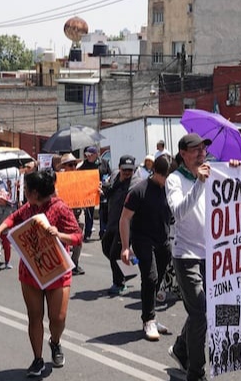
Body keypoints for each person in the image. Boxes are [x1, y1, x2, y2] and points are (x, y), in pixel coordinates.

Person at [0, 169, 82, 377]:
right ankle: (37, 359)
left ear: (36, 192)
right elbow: (12, 218)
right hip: (31, 270)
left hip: (56, 269)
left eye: (27, 190)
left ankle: (55, 342)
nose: (24, 193)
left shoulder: (60, 208)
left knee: (57, 317)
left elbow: (77, 237)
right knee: (35, 317)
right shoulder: (29, 207)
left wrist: (59, 234)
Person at [166, 133, 239, 381]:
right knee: (199, 313)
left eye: (203, 150)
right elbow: (179, 212)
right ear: (183, 154)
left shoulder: (214, 173)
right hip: (186, 255)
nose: (201, 154)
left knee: (204, 310)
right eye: (195, 150)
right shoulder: (174, 180)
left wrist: (236, 172)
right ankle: (196, 374)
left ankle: (181, 348)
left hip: (212, 254)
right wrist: (199, 183)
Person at [120, 155, 173, 341]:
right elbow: (124, 219)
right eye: (166, 176)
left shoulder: (170, 189)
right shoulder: (139, 191)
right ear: (156, 172)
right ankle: (148, 319)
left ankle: (153, 316)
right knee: (149, 278)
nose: (167, 181)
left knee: (157, 280)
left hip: (163, 241)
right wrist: (125, 247)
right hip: (143, 240)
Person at [102, 155, 141, 295]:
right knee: (106, 247)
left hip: (126, 224)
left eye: (130, 170)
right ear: (119, 167)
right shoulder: (114, 176)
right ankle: (129, 268)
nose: (127, 173)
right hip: (112, 220)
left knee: (114, 254)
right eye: (124, 169)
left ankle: (119, 283)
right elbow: (108, 190)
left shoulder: (136, 184)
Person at [60, 153, 86, 275]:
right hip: (64, 212)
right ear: (64, 166)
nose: (73, 167)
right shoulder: (58, 179)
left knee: (79, 237)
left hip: (78, 210)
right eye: (70, 165)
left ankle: (74, 263)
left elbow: (87, 191)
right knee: (63, 238)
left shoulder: (80, 178)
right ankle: (63, 263)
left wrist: (95, 190)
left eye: (75, 165)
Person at [79, 146, 101, 241]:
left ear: (95, 154)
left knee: (103, 213)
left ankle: (103, 233)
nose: (88, 157)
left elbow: (108, 174)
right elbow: (78, 176)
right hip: (89, 193)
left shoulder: (102, 163)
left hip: (101, 191)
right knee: (89, 214)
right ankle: (87, 233)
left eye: (90, 155)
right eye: (86, 155)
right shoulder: (84, 165)